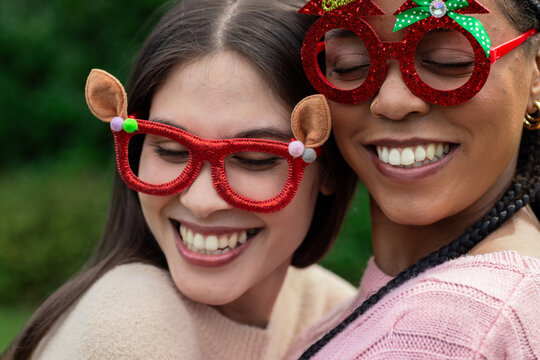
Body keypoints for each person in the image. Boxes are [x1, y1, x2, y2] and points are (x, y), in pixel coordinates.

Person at [2, 1, 359, 359]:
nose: (200, 200)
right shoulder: (131, 325)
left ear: (329, 168)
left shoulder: (334, 307)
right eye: (171, 150)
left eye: (255, 159)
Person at [285, 0, 540, 358]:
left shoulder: (458, 323)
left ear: (536, 74)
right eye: (351, 64)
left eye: (448, 61)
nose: (392, 101)